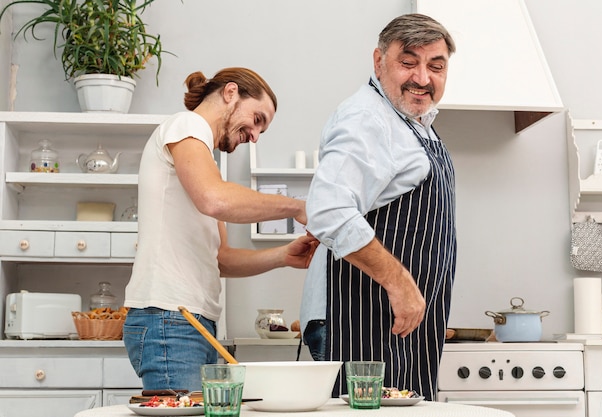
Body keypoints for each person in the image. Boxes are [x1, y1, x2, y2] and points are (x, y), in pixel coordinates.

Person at [123, 67, 319, 392]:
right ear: (230, 93)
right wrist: (297, 206)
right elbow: (213, 199)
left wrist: (285, 255)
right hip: (170, 318)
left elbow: (222, 259)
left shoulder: (206, 166)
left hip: (190, 321)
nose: (255, 135)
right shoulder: (185, 125)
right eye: (257, 119)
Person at [300, 14, 457, 400]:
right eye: (408, 62)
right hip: (359, 321)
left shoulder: (413, 122)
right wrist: (400, 283)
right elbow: (329, 211)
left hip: (398, 325)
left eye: (435, 66)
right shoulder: (367, 118)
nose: (422, 78)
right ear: (378, 61)